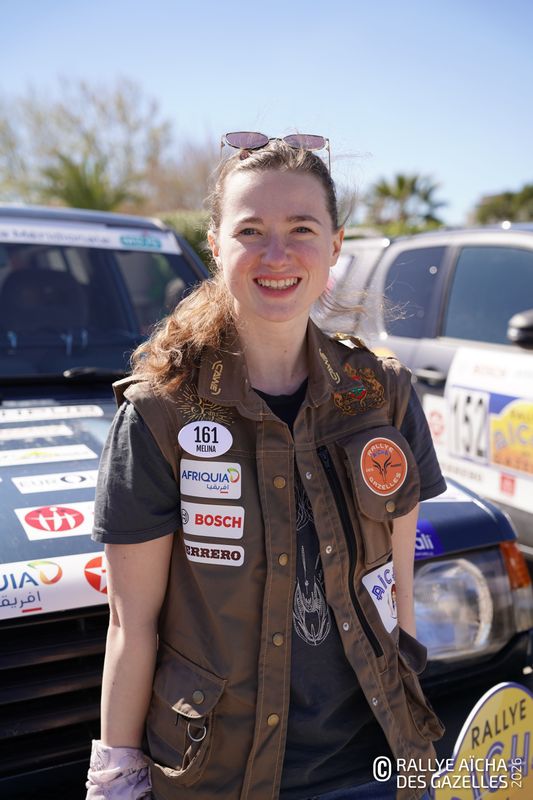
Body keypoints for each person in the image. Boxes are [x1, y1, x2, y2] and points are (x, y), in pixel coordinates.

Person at [86, 133, 445, 800]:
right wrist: (118, 779)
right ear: (216, 246)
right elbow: (130, 627)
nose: (276, 255)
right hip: (221, 777)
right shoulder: (160, 414)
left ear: (335, 245)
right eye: (250, 231)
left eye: (301, 229)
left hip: (382, 764)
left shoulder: (383, 392)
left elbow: (399, 586)